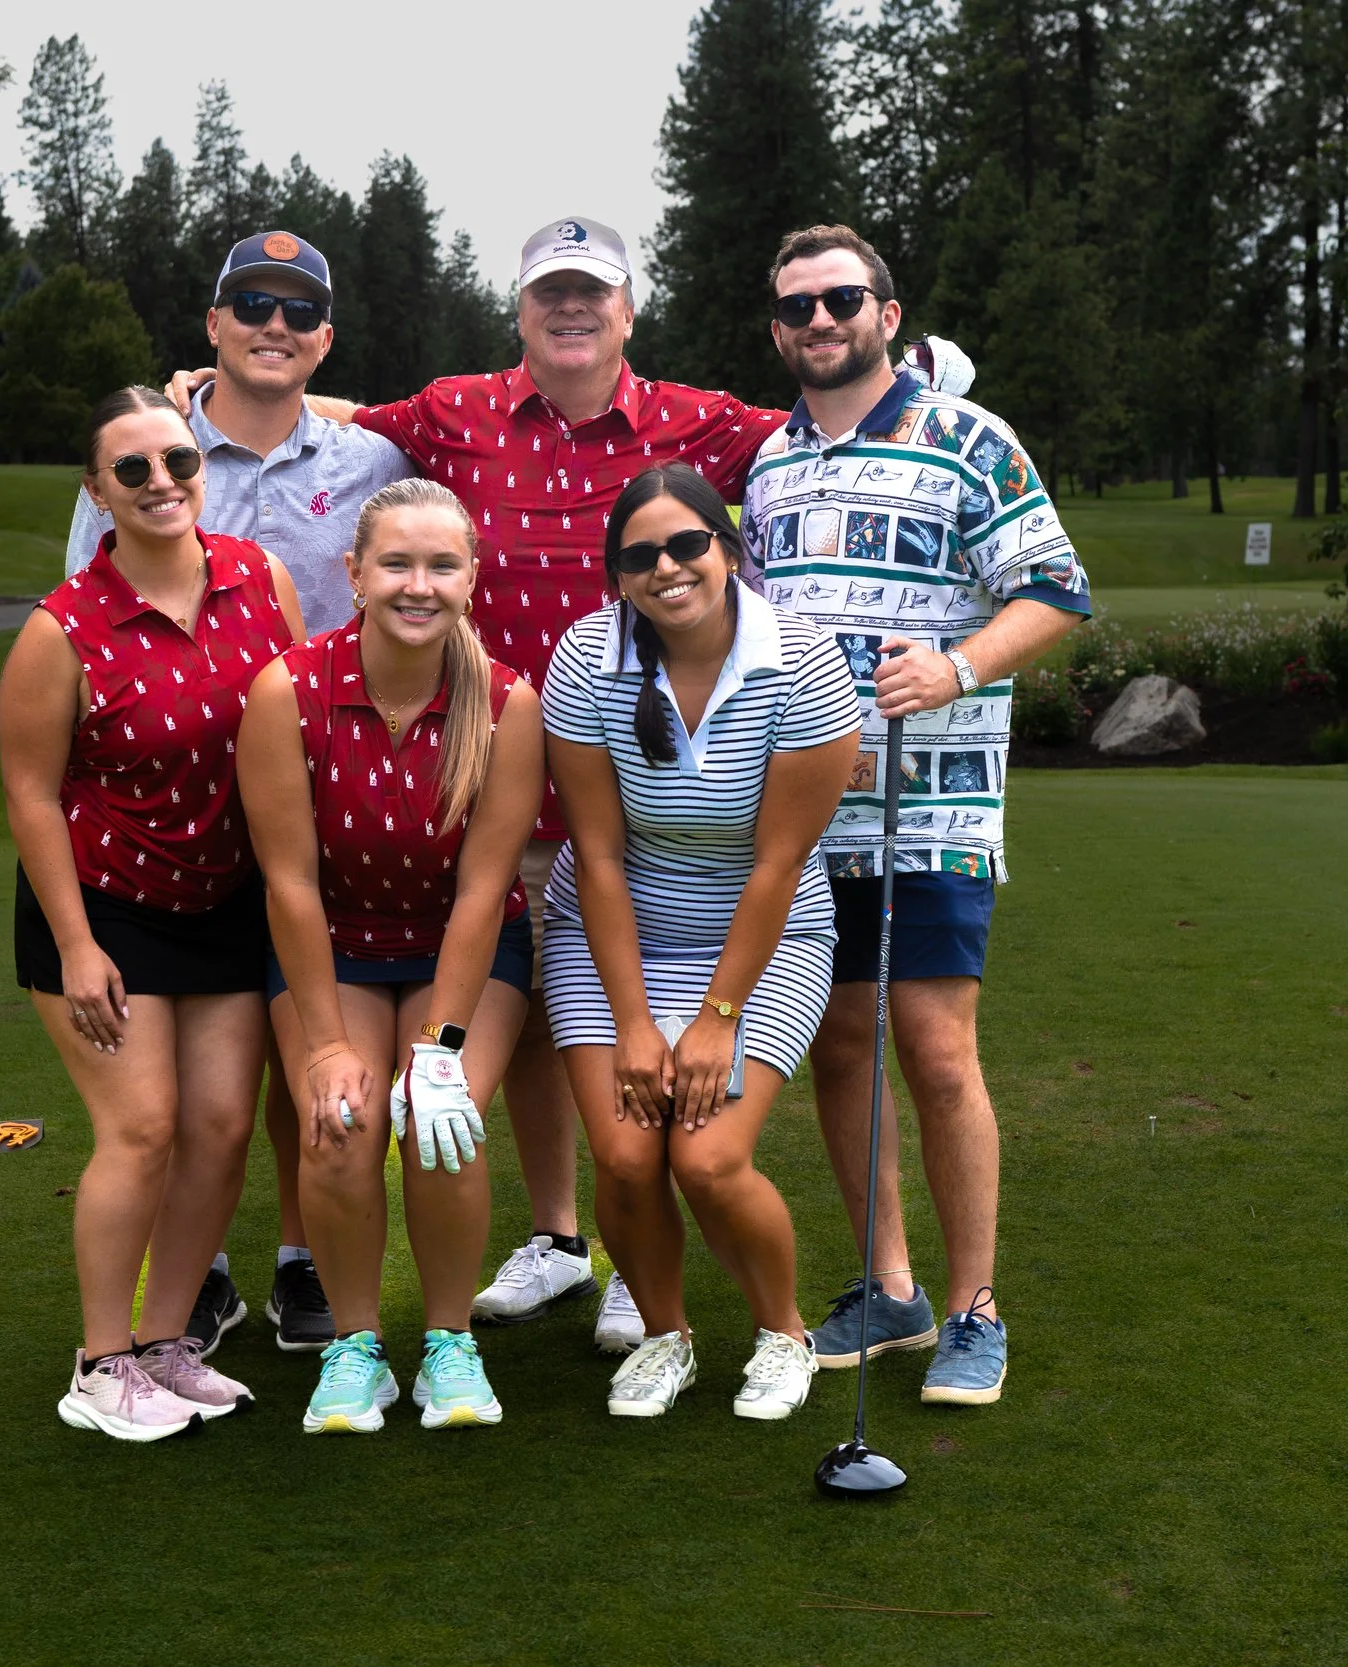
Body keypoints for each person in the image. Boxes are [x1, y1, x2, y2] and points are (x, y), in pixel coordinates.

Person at [169, 217, 972, 1352]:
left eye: (592, 292)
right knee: (542, 1010)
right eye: (550, 292)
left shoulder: (702, 420)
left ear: (627, 311)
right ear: (521, 312)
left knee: (587, 1008)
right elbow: (337, 419)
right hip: (486, 769)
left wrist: (930, 372)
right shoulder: (452, 409)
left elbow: (825, 413)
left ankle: (636, 1258)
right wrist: (205, 398)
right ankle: (557, 1236)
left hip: (639, 783)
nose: (571, 309)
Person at [743, 225, 1091, 1408]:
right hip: (809, 813)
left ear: (886, 315)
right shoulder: (769, 463)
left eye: (841, 299)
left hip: (934, 810)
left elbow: (1054, 590)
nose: (819, 320)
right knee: (841, 1045)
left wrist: (954, 666)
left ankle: (973, 1305)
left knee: (937, 1051)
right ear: (778, 331)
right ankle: (888, 1286)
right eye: (797, 307)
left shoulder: (969, 439)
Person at [69, 231, 413, 1353]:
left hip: (318, 799)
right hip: (163, 812)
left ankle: (301, 1257)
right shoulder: (150, 446)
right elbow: (82, 620)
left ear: (326, 336)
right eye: (252, 304)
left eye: (299, 310)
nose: (275, 324)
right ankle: (198, 1271)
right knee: (188, 1079)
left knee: (301, 1035)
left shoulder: (369, 459)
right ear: (212, 323)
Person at [0, 385, 304, 1441]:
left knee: (220, 1127)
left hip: (228, 900)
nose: (161, 482)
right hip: (104, 909)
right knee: (141, 1128)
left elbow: (295, 723)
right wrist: (76, 946)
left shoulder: (259, 577)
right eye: (132, 469)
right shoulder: (61, 627)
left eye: (178, 460)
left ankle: (168, 1341)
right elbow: (31, 794)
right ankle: (100, 1363)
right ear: (97, 491)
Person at [541, 464, 862, 1420]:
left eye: (687, 544)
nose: (668, 569)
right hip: (612, 933)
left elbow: (778, 863)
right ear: (618, 575)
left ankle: (784, 1334)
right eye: (641, 556)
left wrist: (718, 1018)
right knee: (628, 1156)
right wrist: (636, 1024)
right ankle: (664, 1336)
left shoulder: (803, 662)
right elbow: (598, 856)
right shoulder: (586, 654)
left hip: (765, 935)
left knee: (708, 1159)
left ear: (727, 548)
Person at [239, 478, 545, 1433]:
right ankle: (355, 1346)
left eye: (442, 565)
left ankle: (450, 1341)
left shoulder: (506, 701)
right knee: (339, 1121)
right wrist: (327, 1046)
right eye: (397, 563)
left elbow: (483, 890)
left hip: (464, 945)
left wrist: (441, 1047)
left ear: (471, 578)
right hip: (332, 943)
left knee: (442, 1117)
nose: (419, 585)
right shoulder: (289, 689)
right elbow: (289, 883)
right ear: (355, 573)